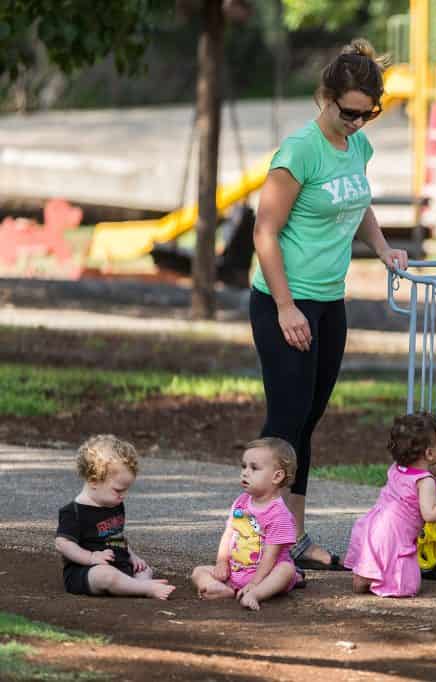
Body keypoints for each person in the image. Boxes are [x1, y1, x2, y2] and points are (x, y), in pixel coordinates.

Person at [250, 38, 409, 573]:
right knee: (285, 421)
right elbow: (264, 232)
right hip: (284, 301)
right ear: (327, 96)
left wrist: (383, 248)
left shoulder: (357, 147)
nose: (358, 124)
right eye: (349, 113)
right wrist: (285, 307)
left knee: (307, 421)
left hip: (327, 301)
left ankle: (290, 538)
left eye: (369, 115)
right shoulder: (299, 151)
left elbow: (356, 201)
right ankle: (258, 541)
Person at [344, 412, 436, 598]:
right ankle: (380, 580)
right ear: (429, 453)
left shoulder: (398, 468)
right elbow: (431, 513)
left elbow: (431, 469)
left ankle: (363, 578)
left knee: (374, 559)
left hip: (373, 527)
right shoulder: (425, 482)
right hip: (395, 536)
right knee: (409, 586)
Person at [55, 435, 175, 600]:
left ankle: (136, 585)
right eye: (118, 490)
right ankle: (144, 588)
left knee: (144, 569)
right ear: (94, 481)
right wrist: (91, 558)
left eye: (127, 489)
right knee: (106, 575)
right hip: (86, 572)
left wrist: (133, 557)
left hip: (120, 566)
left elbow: (116, 536)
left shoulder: (114, 504)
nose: (123, 496)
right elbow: (63, 544)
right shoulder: (74, 512)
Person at [191, 438, 300, 611]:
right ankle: (222, 589)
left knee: (286, 570)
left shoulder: (279, 514)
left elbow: (271, 556)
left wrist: (255, 582)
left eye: (254, 468)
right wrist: (222, 563)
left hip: (266, 575)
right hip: (236, 571)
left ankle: (255, 594)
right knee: (198, 571)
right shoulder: (241, 502)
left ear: (277, 476)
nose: (245, 473)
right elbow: (228, 533)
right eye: (244, 466)